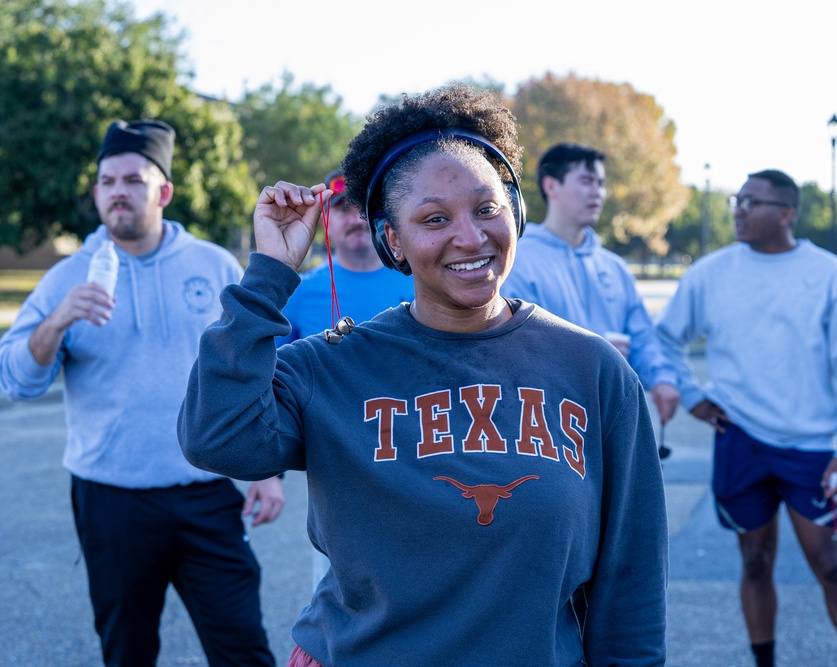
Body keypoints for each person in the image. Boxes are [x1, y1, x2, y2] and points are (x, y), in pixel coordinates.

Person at [178, 84, 668, 667]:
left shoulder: (594, 371)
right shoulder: (331, 364)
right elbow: (217, 438)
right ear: (393, 240)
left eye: (487, 208)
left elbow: (632, 574)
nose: (470, 236)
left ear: (515, 213)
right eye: (434, 218)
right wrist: (267, 277)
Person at [0, 119, 281, 667]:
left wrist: (265, 469)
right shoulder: (68, 276)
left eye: (132, 179)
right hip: (112, 500)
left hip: (209, 493)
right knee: (127, 652)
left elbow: (252, 371)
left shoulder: (214, 265)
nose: (117, 192)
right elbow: (16, 379)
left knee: (243, 649)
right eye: (106, 181)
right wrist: (55, 322)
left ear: (163, 192)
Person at [655, 169, 837, 667]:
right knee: (754, 562)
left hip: (812, 448)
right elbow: (665, 338)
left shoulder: (831, 276)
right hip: (740, 441)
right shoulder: (711, 274)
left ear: (786, 213)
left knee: (831, 565)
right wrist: (691, 394)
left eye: (752, 201)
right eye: (738, 199)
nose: (739, 209)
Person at [500, 143, 679, 458]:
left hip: (615, 424)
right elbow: (512, 348)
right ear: (551, 185)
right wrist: (594, 352)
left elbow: (642, 337)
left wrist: (662, 378)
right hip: (546, 431)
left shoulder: (615, 268)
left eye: (601, 183)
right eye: (586, 181)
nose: (598, 191)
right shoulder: (517, 259)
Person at [276, 167, 413, 346]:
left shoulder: (419, 283)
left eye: (362, 209)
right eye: (344, 209)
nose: (355, 220)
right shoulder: (298, 293)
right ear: (324, 220)